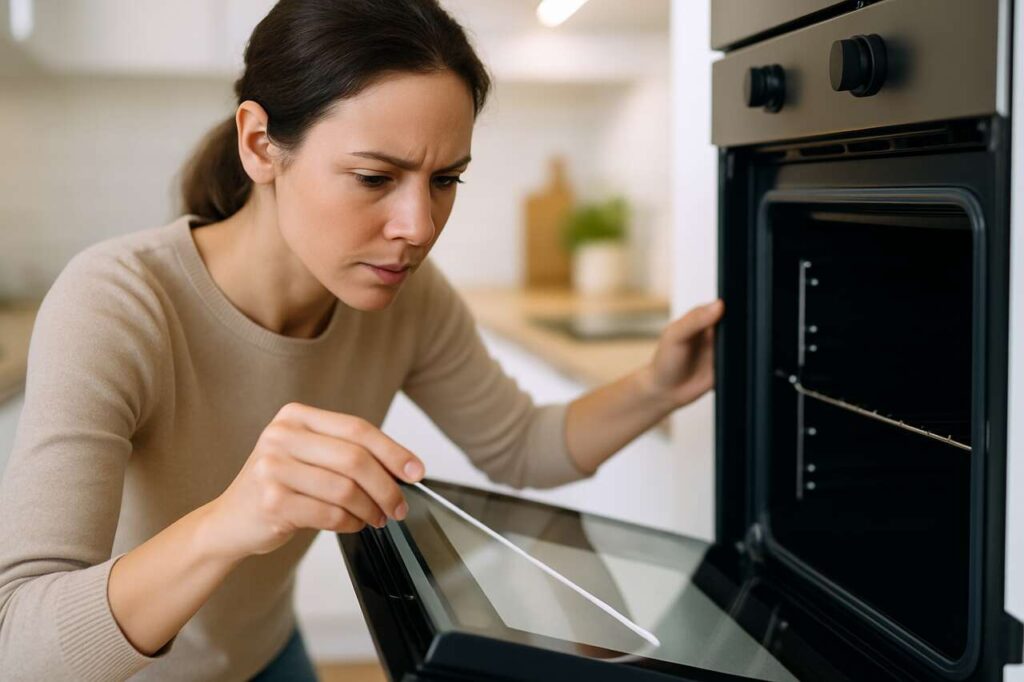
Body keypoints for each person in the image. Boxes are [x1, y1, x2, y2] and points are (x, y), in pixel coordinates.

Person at [0, 0, 724, 680]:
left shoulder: (407, 298)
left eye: (446, 180)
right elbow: (20, 643)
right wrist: (235, 518)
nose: (417, 227)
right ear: (259, 144)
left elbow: (520, 446)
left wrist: (659, 386)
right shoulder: (119, 303)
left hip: (268, 652)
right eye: (375, 177)